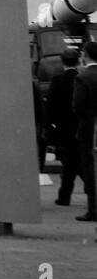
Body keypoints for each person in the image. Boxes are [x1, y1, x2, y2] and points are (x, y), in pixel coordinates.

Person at [47, 52, 80, 208]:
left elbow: (52, 106)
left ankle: (64, 196)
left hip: (64, 128)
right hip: (81, 126)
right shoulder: (81, 78)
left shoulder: (58, 80)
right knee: (79, 161)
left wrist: (51, 128)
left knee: (69, 163)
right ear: (79, 60)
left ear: (62, 62)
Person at [73, 40, 97, 223]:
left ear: (85, 55)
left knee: (90, 170)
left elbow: (78, 107)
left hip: (89, 131)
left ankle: (93, 209)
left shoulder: (82, 77)